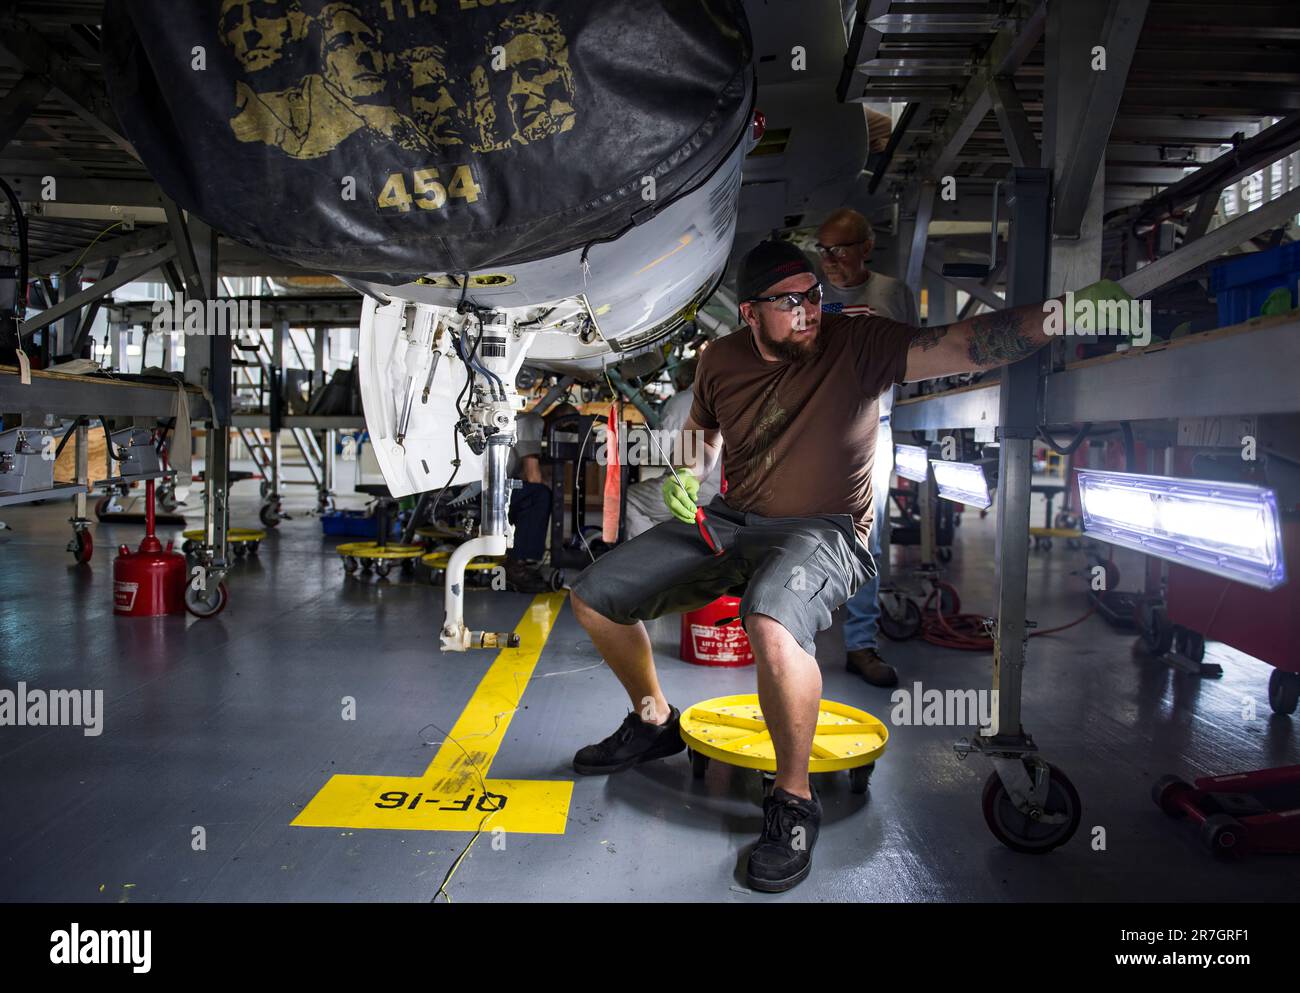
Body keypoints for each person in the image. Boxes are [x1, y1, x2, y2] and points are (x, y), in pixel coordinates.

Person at [567, 238, 1130, 892]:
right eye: (789, 301)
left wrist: (1062, 316)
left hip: (824, 530)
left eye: (813, 295)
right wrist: (683, 473)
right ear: (750, 312)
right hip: (732, 520)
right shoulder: (719, 358)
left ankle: (793, 798)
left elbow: (963, 343)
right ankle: (655, 720)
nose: (809, 311)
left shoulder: (856, 344)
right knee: (595, 594)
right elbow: (703, 431)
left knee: (772, 622)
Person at [815, 207, 916, 687]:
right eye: (824, 250)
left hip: (875, 428)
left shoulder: (891, 294)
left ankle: (861, 644)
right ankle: (795, 638)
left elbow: (912, 357)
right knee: (803, 531)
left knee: (866, 539)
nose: (831, 261)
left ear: (867, 247)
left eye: (841, 249)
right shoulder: (809, 296)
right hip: (815, 429)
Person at [623, 360, 723, 539]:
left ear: (680, 380)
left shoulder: (683, 400)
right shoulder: (720, 398)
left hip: (691, 488)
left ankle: (647, 559)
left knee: (629, 499)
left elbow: (658, 450)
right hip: (721, 491)